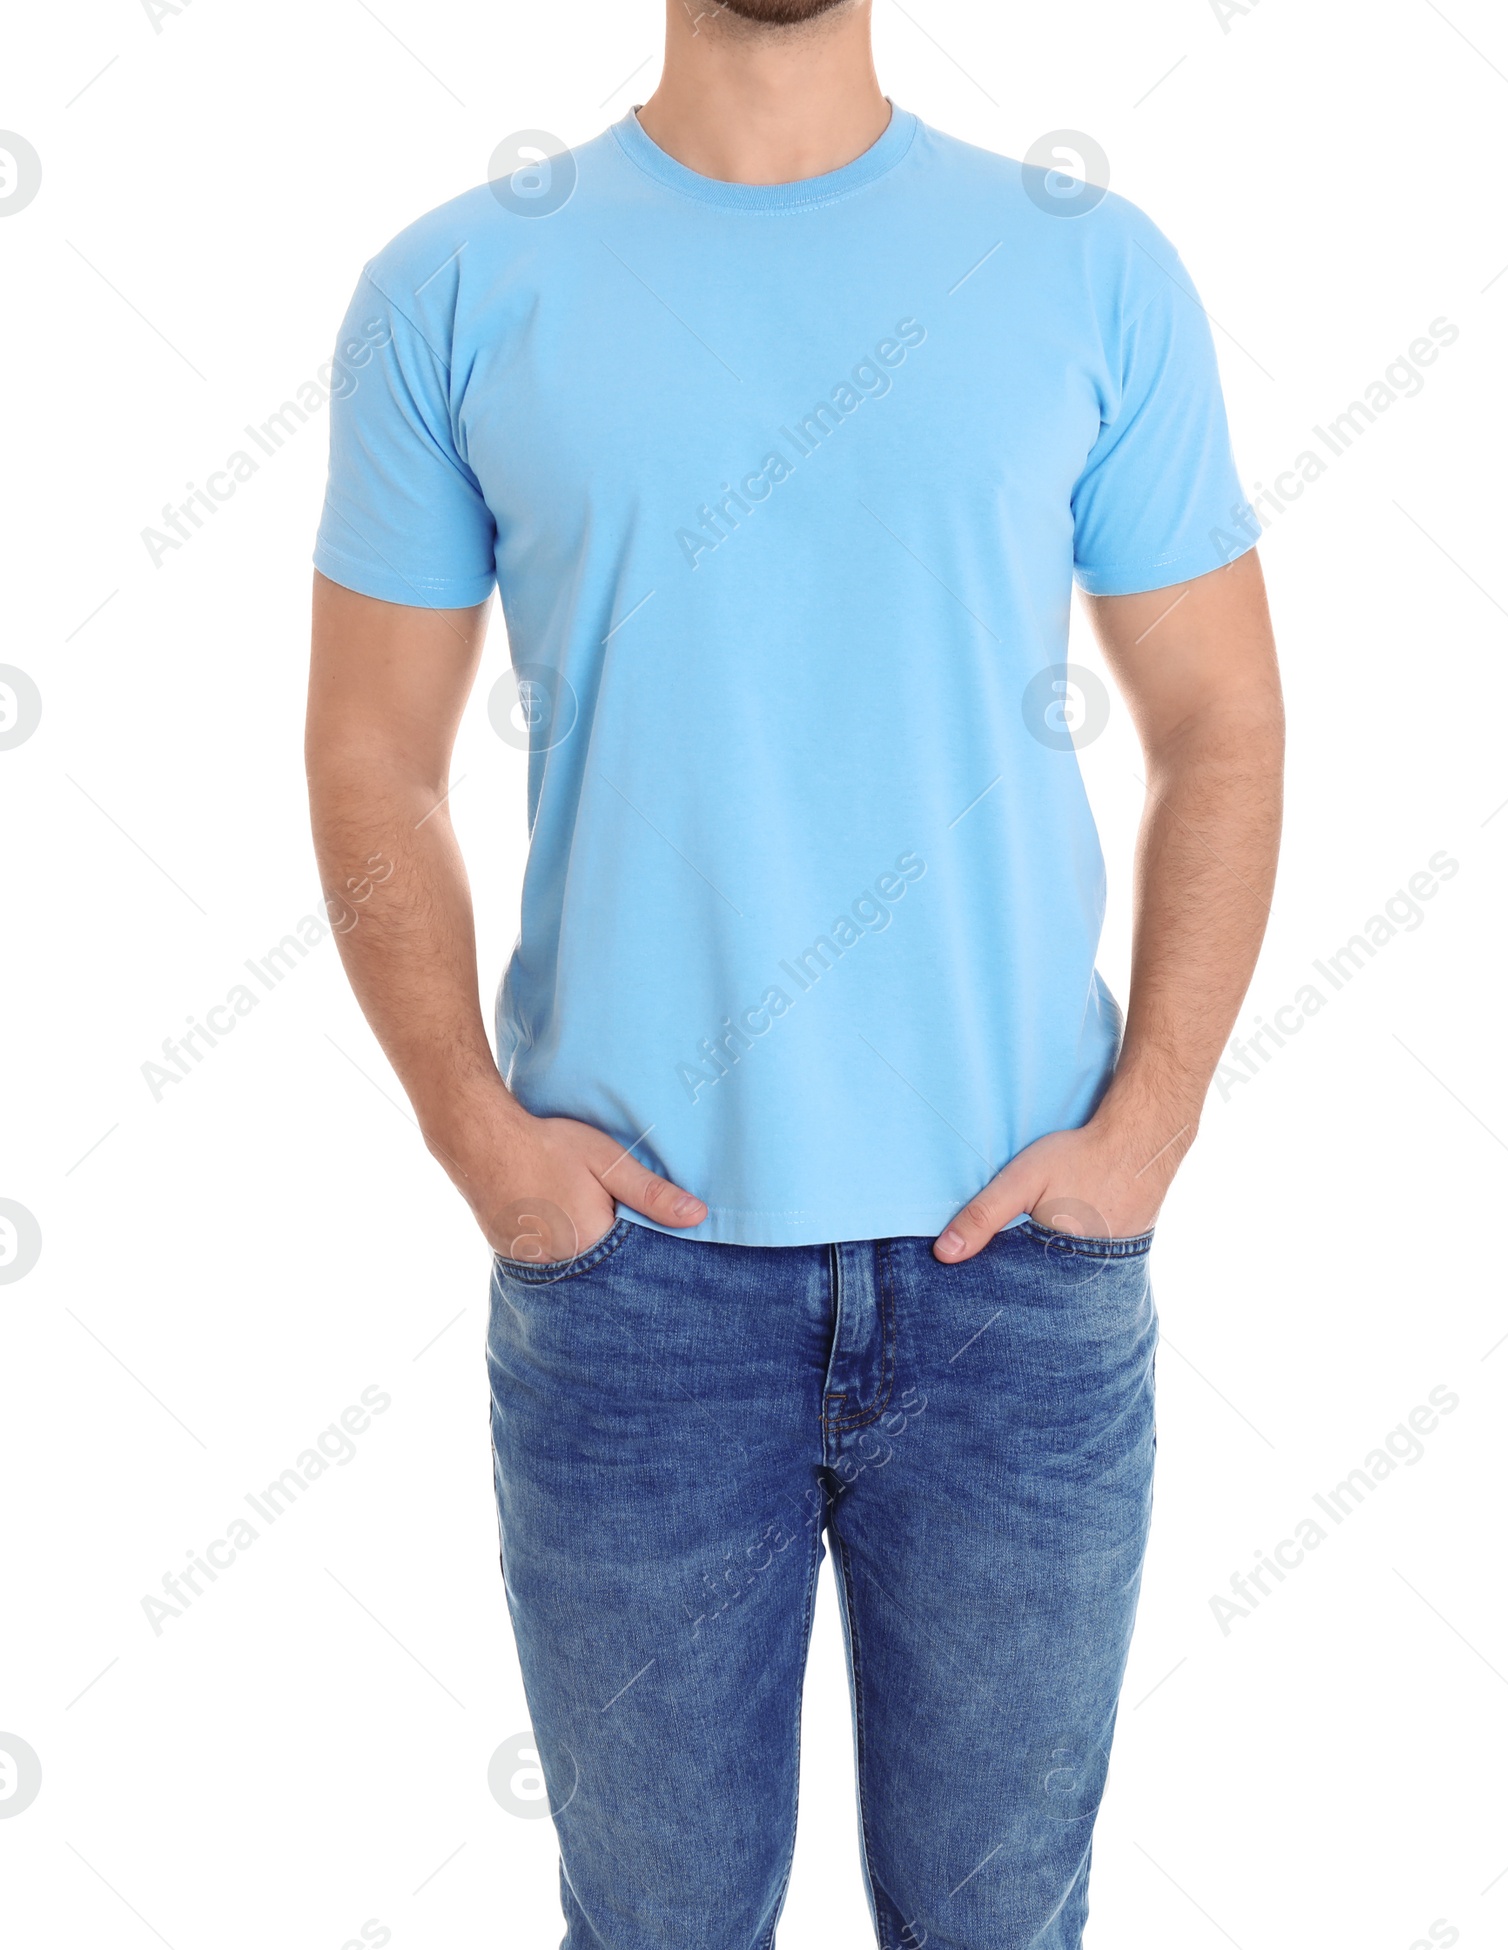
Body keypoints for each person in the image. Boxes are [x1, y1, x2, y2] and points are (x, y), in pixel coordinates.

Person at [305, 2, 1284, 1943]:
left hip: (1017, 1274)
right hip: (633, 1304)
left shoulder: (1082, 263)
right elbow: (368, 755)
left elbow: (1220, 724)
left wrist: (1150, 1118)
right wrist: (478, 1137)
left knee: (996, 1925)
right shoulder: (460, 281)